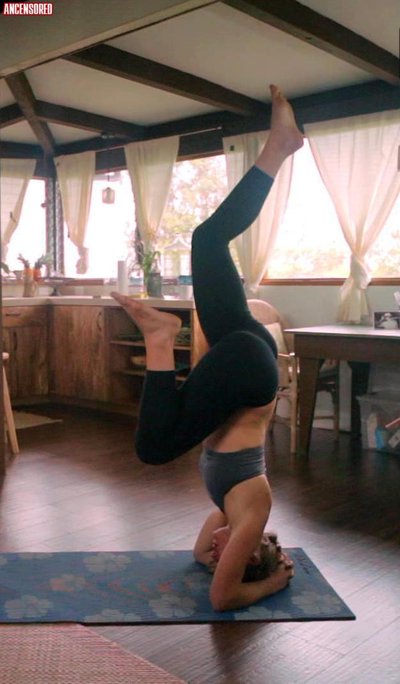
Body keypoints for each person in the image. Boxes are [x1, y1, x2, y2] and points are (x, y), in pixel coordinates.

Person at [112, 85, 303, 611]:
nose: (215, 551)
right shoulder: (252, 515)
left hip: (248, 349)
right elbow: (223, 598)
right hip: (249, 371)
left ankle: (278, 148)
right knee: (153, 450)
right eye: (231, 554)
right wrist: (274, 582)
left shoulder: (229, 512)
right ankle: (159, 339)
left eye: (222, 554)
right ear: (253, 550)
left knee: (207, 240)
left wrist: (217, 557)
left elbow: (200, 556)